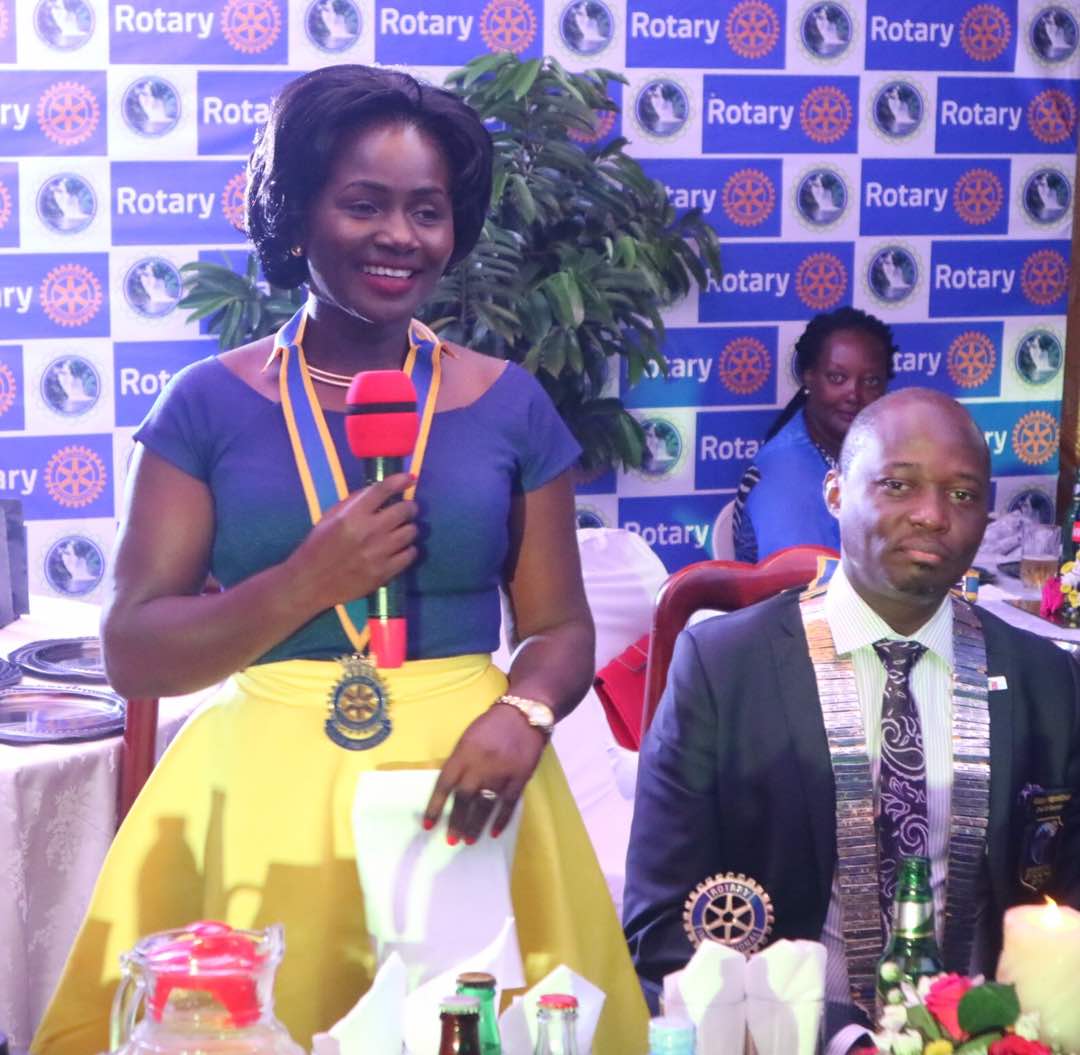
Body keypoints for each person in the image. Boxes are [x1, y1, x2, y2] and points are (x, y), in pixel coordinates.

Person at [34, 65, 647, 1054]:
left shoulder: (510, 403)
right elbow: (134, 650)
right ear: (296, 215)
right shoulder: (205, 406)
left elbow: (560, 626)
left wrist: (527, 711)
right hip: (263, 796)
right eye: (364, 204)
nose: (400, 235)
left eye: (427, 211)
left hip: (468, 785)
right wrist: (303, 583)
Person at [626, 389, 1080, 1052]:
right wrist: (838, 1038)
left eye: (961, 495)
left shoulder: (1046, 678)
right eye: (898, 485)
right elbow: (661, 926)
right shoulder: (725, 669)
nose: (931, 515)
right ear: (836, 492)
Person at [732, 307, 895, 563]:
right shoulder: (784, 473)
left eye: (871, 381)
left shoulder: (876, 452)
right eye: (837, 378)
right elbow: (805, 579)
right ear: (809, 378)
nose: (854, 394)